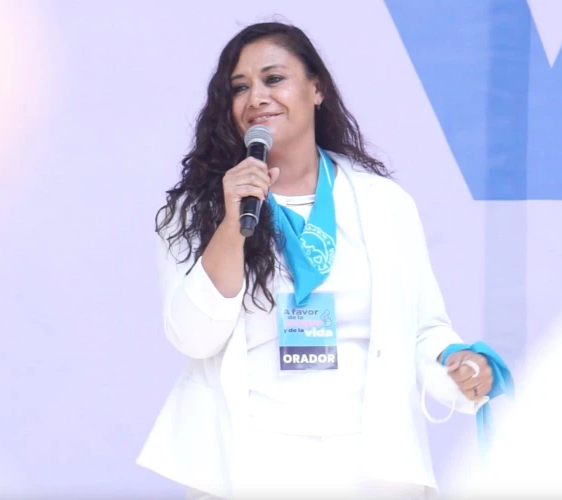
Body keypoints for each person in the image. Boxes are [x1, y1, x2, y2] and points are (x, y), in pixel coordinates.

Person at [137, 22, 494, 500]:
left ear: (317, 89)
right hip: (250, 464)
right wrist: (231, 222)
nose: (257, 97)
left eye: (273, 79)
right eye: (239, 88)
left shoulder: (384, 203)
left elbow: (423, 329)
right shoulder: (197, 210)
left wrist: (456, 364)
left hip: (372, 470)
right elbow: (194, 337)